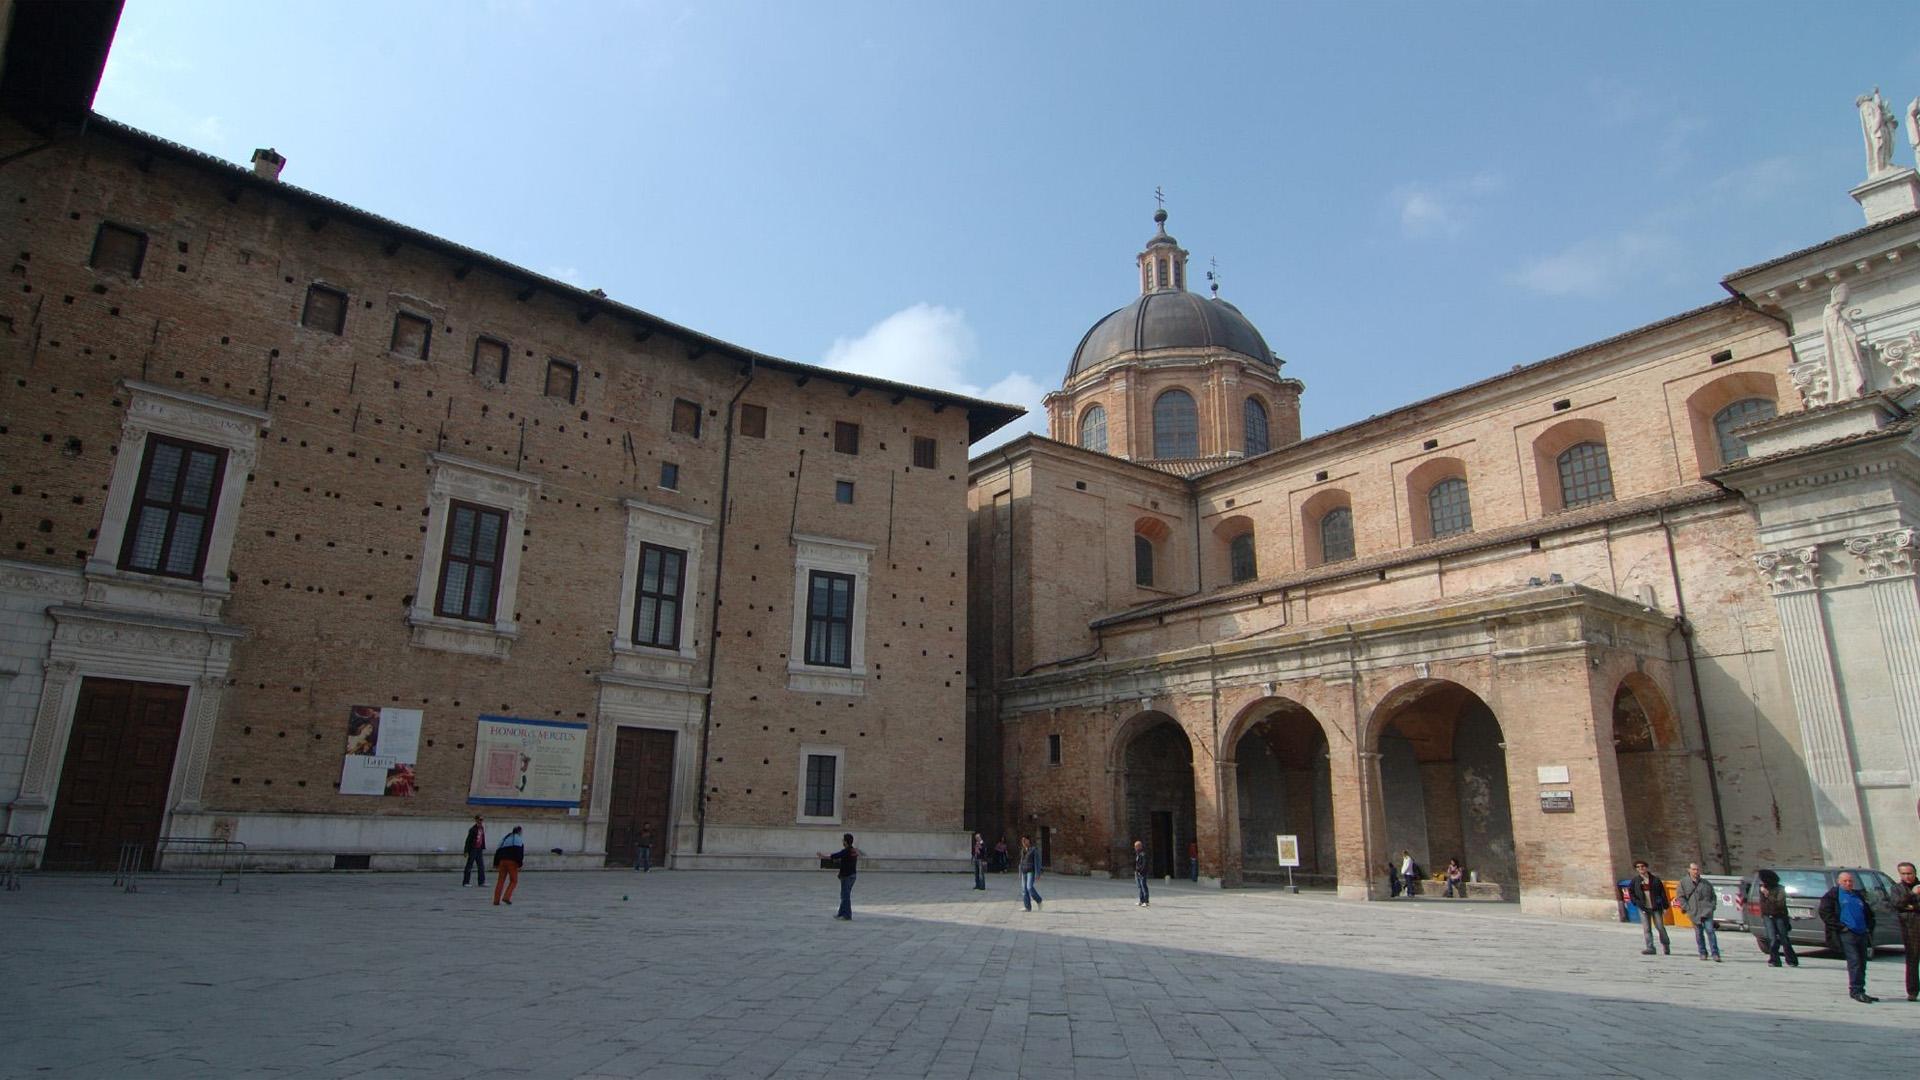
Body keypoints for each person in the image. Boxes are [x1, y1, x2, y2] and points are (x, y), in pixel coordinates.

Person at [1817, 870, 1876, 1003]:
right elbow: (1825, 913)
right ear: (1839, 882)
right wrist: (1841, 927)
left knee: (1862, 962)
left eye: (1850, 881)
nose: (1848, 883)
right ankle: (1856, 990)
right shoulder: (1832, 895)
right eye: (1845, 881)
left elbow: (1868, 913)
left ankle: (1860, 989)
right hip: (1847, 933)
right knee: (1854, 961)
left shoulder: (1857, 895)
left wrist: (1869, 927)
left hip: (1861, 933)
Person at [1678, 862, 1721, 962]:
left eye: (1697, 869)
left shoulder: (1706, 883)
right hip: (1694, 912)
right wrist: (1687, 908)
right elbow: (1680, 897)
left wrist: (1712, 906)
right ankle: (1702, 952)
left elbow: (1713, 896)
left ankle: (1715, 953)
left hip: (1707, 911)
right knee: (1699, 933)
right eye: (1693, 869)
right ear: (1689, 870)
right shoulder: (1683, 883)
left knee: (1710, 931)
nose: (1696, 871)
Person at [1755, 869, 1799, 969]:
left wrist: (1768, 894)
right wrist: (1764, 915)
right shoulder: (1762, 888)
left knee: (1784, 938)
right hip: (1767, 916)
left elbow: (1779, 904)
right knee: (1772, 939)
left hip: (1779, 915)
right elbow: (1763, 904)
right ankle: (1775, 960)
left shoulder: (1780, 889)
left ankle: (1791, 960)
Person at [1627, 861, 1671, 955]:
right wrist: (1636, 902)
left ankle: (1666, 945)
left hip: (1655, 907)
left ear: (1646, 867)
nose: (1640, 868)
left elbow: (1662, 893)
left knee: (1660, 927)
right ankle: (1650, 947)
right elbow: (1631, 893)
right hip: (1643, 908)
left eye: (1642, 866)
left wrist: (1665, 906)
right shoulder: (1635, 881)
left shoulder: (1655, 880)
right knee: (1647, 928)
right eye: (1638, 867)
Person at [1892, 861, 1919, 1002]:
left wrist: (1911, 906)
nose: (1907, 876)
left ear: (1915, 873)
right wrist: (1912, 895)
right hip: (1910, 928)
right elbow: (1897, 904)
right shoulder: (1897, 888)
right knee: (1912, 960)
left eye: (1909, 873)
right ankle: (1912, 991)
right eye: (1904, 874)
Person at [818, 833, 859, 920]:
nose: (842, 841)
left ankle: (847, 915)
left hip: (847, 876)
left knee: (845, 896)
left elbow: (835, 855)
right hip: (853, 875)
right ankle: (841, 913)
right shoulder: (853, 851)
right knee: (844, 895)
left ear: (846, 842)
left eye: (843, 840)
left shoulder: (846, 851)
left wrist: (823, 856)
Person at [491, 826, 525, 906]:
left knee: (500, 881)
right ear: (519, 832)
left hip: (502, 861)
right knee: (514, 881)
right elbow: (519, 853)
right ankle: (506, 897)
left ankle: (496, 900)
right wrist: (520, 863)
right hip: (512, 862)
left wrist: (495, 863)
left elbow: (497, 850)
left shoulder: (505, 838)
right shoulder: (518, 839)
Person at [1019, 836, 1044, 912]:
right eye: (1022, 841)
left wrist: (1038, 873)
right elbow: (1021, 862)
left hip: (1031, 871)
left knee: (1029, 887)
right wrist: (1020, 872)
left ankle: (1039, 900)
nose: (1024, 842)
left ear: (1029, 841)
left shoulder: (1033, 850)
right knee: (1024, 889)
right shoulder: (1023, 850)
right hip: (1024, 871)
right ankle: (1027, 907)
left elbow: (1037, 862)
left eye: (1025, 840)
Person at [461, 814, 487, 888]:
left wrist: (483, 847)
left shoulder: (482, 828)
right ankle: (466, 882)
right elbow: (468, 841)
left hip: (479, 849)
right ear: (476, 820)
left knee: (481, 866)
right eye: (480, 820)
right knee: (469, 865)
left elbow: (482, 839)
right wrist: (466, 851)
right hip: (473, 849)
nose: (481, 821)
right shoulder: (473, 829)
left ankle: (481, 882)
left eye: (482, 820)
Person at [1133, 839, 1150, 907]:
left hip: (1142, 873)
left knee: (1144, 887)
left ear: (1140, 847)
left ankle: (1146, 901)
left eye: (1136, 846)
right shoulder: (1138, 854)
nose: (1135, 848)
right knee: (1140, 887)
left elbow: (1144, 864)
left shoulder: (1143, 854)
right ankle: (1141, 901)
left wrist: (1140, 871)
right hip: (1138, 873)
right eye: (1135, 846)